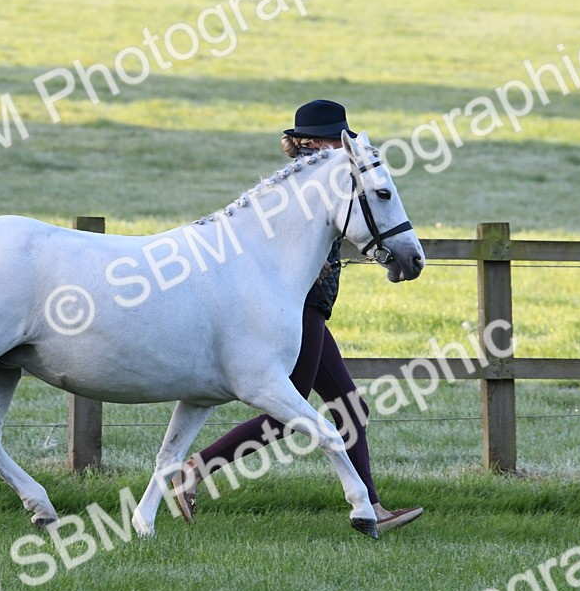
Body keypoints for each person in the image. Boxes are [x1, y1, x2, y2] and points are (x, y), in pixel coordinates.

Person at [170, 99, 424, 535]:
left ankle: (371, 506)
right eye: (331, 138)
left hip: (311, 311)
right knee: (293, 412)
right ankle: (193, 470)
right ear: (309, 143)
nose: (339, 146)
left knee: (349, 407)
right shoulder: (303, 188)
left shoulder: (328, 183)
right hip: (294, 312)